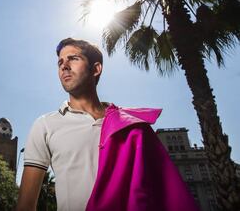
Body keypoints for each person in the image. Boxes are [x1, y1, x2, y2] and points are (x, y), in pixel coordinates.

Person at [16, 38, 200, 211]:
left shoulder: (131, 126)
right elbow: (25, 205)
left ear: (95, 69)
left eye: (73, 58)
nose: (64, 65)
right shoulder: (45, 125)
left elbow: (164, 192)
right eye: (60, 62)